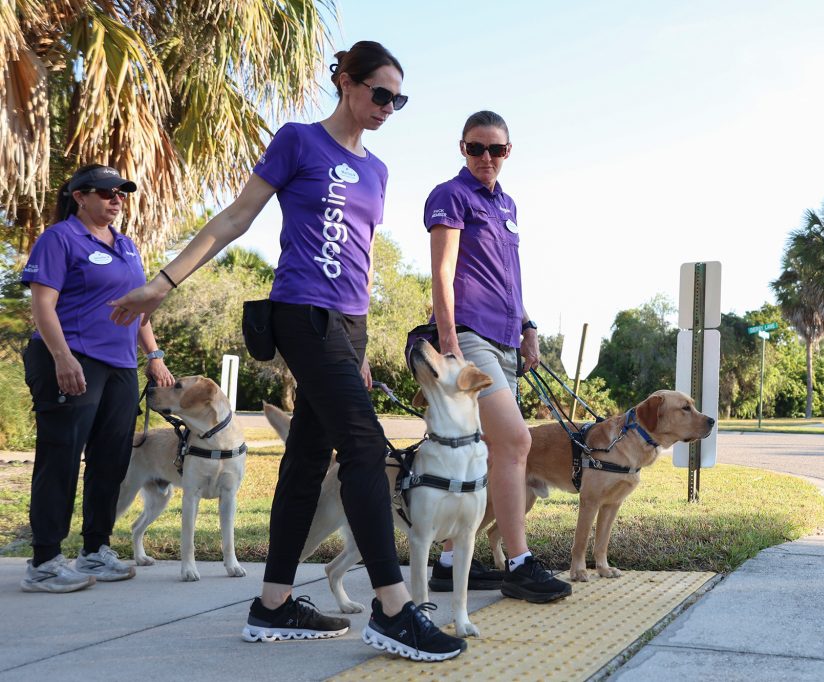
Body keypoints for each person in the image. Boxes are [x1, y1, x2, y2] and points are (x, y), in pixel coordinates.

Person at [109, 41, 467, 660]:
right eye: (380, 93)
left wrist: (359, 343)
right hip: (301, 314)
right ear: (346, 83)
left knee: (306, 459)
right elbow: (236, 218)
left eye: (398, 99)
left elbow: (363, 258)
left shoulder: (378, 171)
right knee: (362, 445)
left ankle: (272, 602)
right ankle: (393, 607)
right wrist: (162, 284)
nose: (388, 107)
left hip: (346, 326)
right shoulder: (300, 141)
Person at [424, 111, 573, 603]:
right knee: (514, 442)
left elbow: (507, 277)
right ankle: (519, 561)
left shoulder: (507, 204)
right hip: (469, 335)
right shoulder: (451, 196)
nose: (486, 158)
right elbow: (443, 274)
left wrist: (528, 326)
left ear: (509, 152)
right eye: (476, 148)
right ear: (462, 148)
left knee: (486, 451)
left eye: (497, 150)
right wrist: (448, 344)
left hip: (508, 337)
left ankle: (448, 561)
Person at [20, 164, 175, 593]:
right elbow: (43, 306)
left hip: (121, 366)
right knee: (62, 457)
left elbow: (137, 306)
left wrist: (154, 355)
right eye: (107, 193)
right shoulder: (60, 239)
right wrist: (62, 357)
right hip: (72, 360)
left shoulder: (126, 246)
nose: (116, 199)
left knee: (112, 460)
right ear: (80, 196)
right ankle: (45, 561)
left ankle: (95, 549)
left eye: (121, 193)